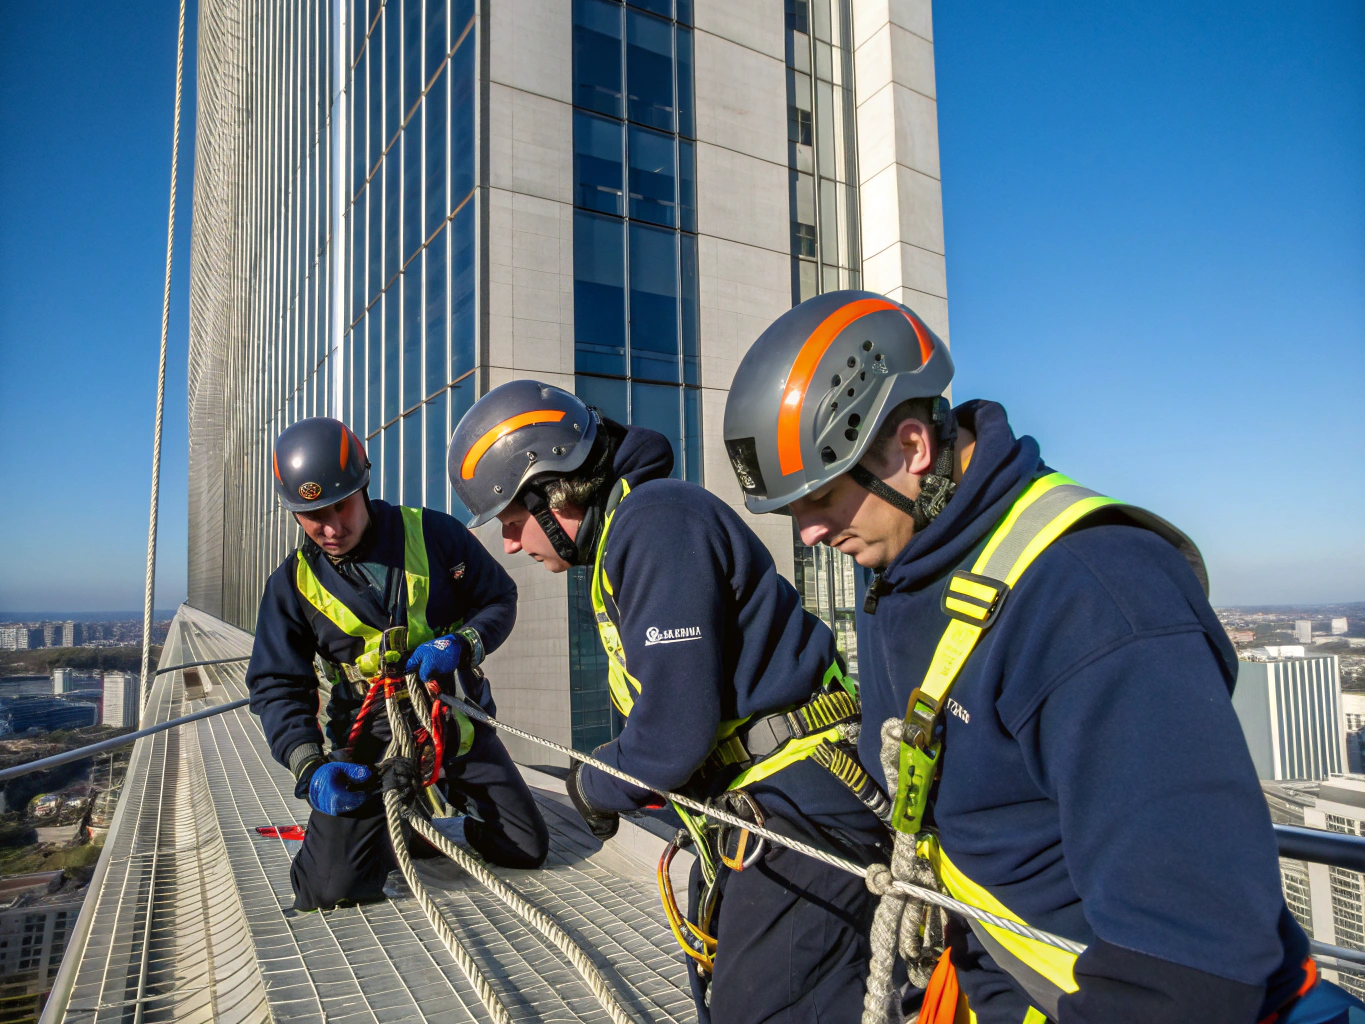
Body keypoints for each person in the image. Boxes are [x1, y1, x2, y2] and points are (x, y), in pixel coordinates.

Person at [721, 290, 1362, 1024]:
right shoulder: (902, 570)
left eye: (820, 499)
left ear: (910, 448)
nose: (805, 534)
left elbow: (1190, 957)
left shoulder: (1096, 599)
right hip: (1000, 977)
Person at [446, 379, 889, 1024]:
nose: (511, 544)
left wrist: (592, 784)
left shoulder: (656, 524)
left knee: (767, 1009)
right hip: (763, 801)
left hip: (803, 804)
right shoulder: (632, 532)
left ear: (556, 493)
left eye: (514, 522)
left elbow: (673, 734)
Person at [246, 416, 548, 912]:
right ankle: (390, 825)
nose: (330, 527)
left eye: (340, 506)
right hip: (369, 748)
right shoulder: (293, 585)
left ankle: (414, 824)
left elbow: (498, 598)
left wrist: (464, 643)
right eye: (312, 514)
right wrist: (309, 765)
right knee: (329, 889)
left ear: (363, 485)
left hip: (452, 723)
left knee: (524, 848)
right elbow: (277, 683)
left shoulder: (431, 533)